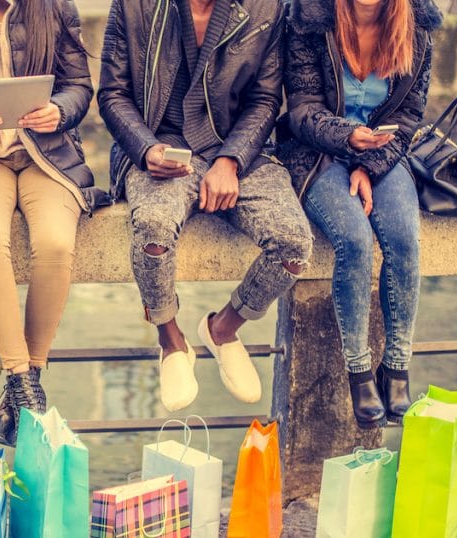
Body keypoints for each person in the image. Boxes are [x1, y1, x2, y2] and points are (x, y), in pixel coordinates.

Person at [98, 0, 313, 411]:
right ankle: (171, 339)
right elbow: (112, 94)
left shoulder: (267, 7)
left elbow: (266, 100)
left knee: (294, 244)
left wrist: (230, 159)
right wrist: (145, 149)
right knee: (153, 228)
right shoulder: (133, 5)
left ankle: (223, 329)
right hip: (159, 149)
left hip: (237, 151)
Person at [0, 0, 108, 445]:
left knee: (55, 242)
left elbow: (79, 86)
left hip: (46, 155)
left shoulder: (54, 8)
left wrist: (59, 110)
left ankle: (23, 381)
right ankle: (24, 382)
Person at [279, 0, 441, 427]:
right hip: (317, 153)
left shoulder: (418, 26)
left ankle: (397, 366)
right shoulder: (309, 19)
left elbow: (408, 115)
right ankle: (359, 370)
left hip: (384, 155)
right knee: (352, 238)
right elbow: (302, 110)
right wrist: (349, 140)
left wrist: (370, 165)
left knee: (404, 239)